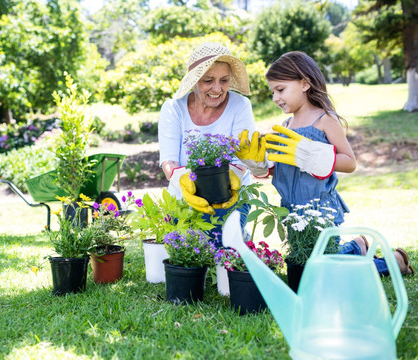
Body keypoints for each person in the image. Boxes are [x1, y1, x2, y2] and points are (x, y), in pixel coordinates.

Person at [235, 51, 414, 277]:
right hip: (293, 210)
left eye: (280, 89)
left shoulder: (325, 119)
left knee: (322, 272)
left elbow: (350, 162)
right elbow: (285, 166)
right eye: (273, 92)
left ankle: (392, 263)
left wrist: (316, 157)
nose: (275, 98)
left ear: (305, 83)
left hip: (320, 210)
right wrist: (260, 164)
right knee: (306, 262)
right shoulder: (287, 124)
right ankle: (355, 247)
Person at [158, 42, 255, 244]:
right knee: (185, 251)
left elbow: (243, 159)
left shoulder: (240, 106)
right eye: (208, 80)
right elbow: (169, 163)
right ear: (194, 80)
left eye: (224, 80)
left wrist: (231, 179)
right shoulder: (173, 108)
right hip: (183, 198)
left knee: (222, 246)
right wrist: (185, 185)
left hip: (229, 198)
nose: (217, 88)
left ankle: (238, 237)